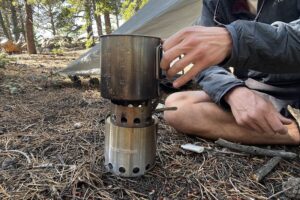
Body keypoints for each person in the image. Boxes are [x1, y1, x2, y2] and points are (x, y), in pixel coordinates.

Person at [161, 0, 300, 144]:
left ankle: (286, 128)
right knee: (175, 107)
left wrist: (234, 39)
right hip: (258, 92)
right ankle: (287, 129)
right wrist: (233, 91)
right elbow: (207, 66)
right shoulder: (215, 3)